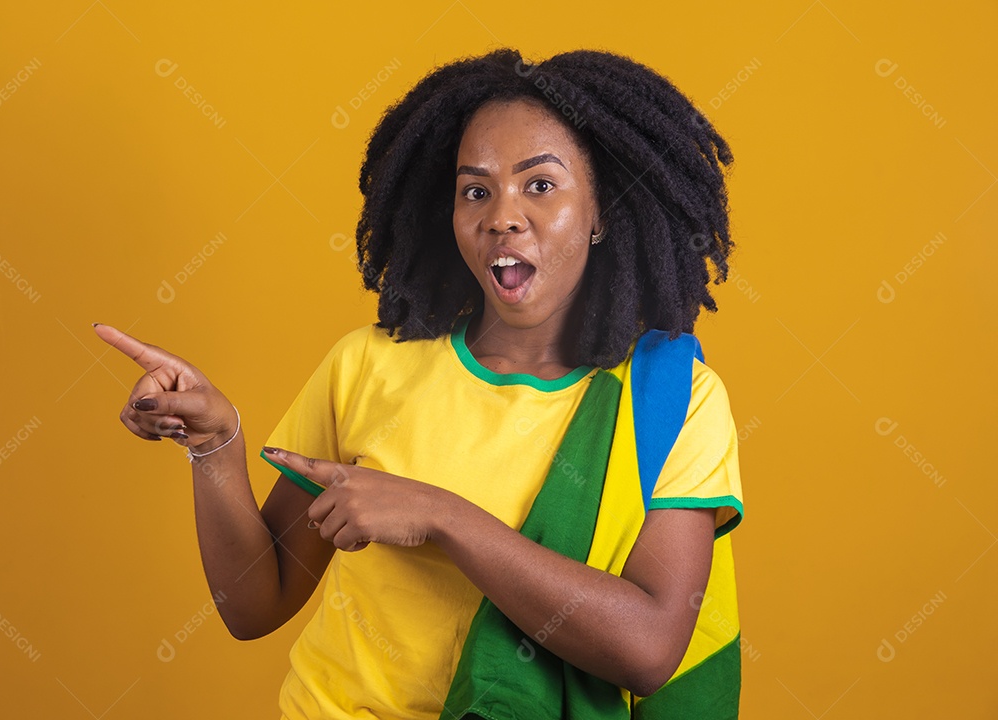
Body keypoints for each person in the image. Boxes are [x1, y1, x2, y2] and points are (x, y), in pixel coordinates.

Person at [95, 47, 744, 719]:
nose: (502, 216)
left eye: (540, 186)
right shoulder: (368, 365)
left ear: (601, 210)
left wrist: (440, 515)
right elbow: (256, 604)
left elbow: (648, 647)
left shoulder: (673, 404)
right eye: (476, 191)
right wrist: (215, 444)